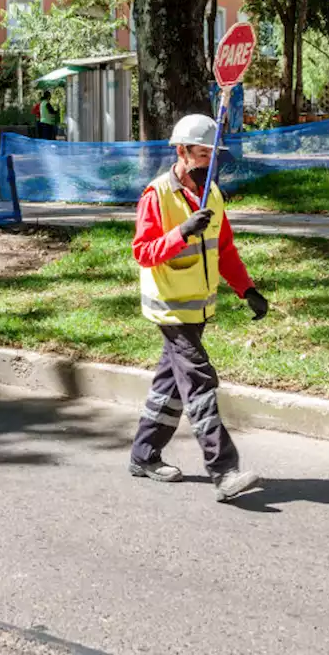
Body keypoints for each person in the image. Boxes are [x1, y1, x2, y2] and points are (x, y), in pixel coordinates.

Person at [127, 114, 267, 502]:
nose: (207, 161)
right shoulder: (156, 195)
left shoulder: (214, 196)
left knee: (169, 387)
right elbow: (143, 252)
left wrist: (247, 289)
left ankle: (143, 454)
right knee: (200, 381)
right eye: (201, 153)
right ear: (181, 152)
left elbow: (224, 251)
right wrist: (181, 231)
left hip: (198, 309)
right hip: (171, 310)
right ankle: (224, 471)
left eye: (212, 154)